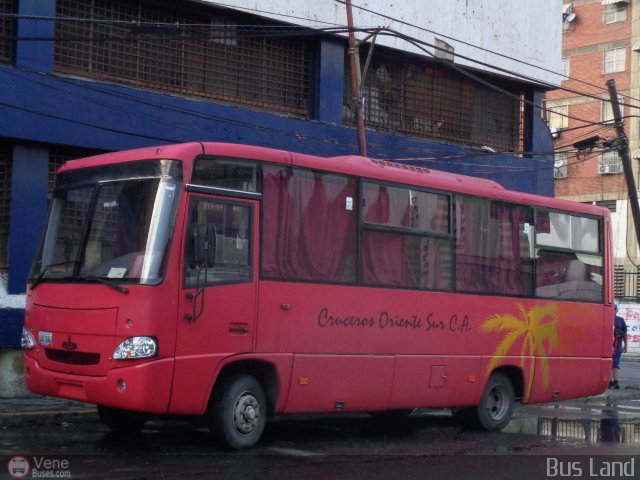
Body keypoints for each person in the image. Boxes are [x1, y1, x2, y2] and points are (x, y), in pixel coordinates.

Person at [609, 303, 628, 390]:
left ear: (617, 310)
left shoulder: (620, 320)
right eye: (612, 308)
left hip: (618, 345)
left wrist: (626, 346)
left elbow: (625, 334)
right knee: (608, 364)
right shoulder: (606, 319)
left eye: (615, 309)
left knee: (616, 364)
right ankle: (609, 381)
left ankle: (616, 382)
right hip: (608, 346)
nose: (613, 310)